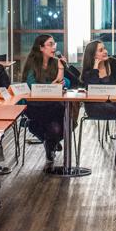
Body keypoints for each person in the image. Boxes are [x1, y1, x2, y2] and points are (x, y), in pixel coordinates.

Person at [80, 40, 116, 169]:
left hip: (115, 103)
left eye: (104, 48)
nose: (105, 51)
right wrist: (95, 68)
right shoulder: (89, 70)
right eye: (100, 50)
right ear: (93, 55)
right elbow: (92, 90)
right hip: (94, 106)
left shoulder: (113, 63)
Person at [22, 34, 67, 162]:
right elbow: (31, 85)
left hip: (53, 106)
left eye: (54, 44)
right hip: (36, 107)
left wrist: (61, 68)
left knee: (65, 123)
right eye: (50, 44)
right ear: (41, 48)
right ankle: (51, 141)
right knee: (55, 128)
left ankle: (51, 141)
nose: (54, 47)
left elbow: (68, 82)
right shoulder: (33, 64)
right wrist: (51, 86)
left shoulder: (55, 62)